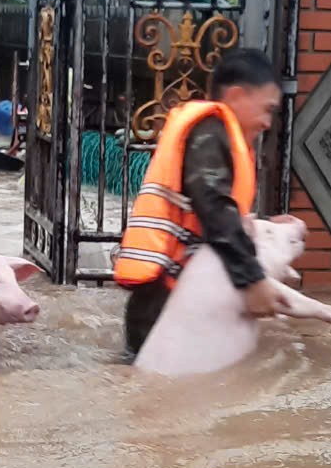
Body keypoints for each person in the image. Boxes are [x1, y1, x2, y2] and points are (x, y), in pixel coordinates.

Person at [113, 48, 286, 358]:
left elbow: (211, 212)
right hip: (164, 303)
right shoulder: (209, 132)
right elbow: (214, 208)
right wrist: (253, 279)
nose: (267, 123)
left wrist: (267, 227)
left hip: (170, 297)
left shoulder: (220, 136)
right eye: (267, 109)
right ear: (235, 96)